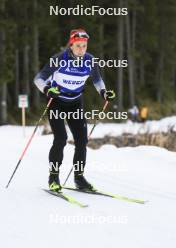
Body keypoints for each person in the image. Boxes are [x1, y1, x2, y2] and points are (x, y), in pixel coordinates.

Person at [34, 28, 115, 192]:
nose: (81, 49)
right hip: (56, 102)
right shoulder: (59, 59)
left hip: (75, 103)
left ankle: (79, 178)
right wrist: (47, 90)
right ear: (71, 45)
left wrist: (104, 92)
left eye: (84, 46)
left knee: (82, 140)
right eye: (78, 46)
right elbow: (38, 79)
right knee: (61, 139)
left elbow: (97, 81)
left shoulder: (90, 61)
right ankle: (54, 178)